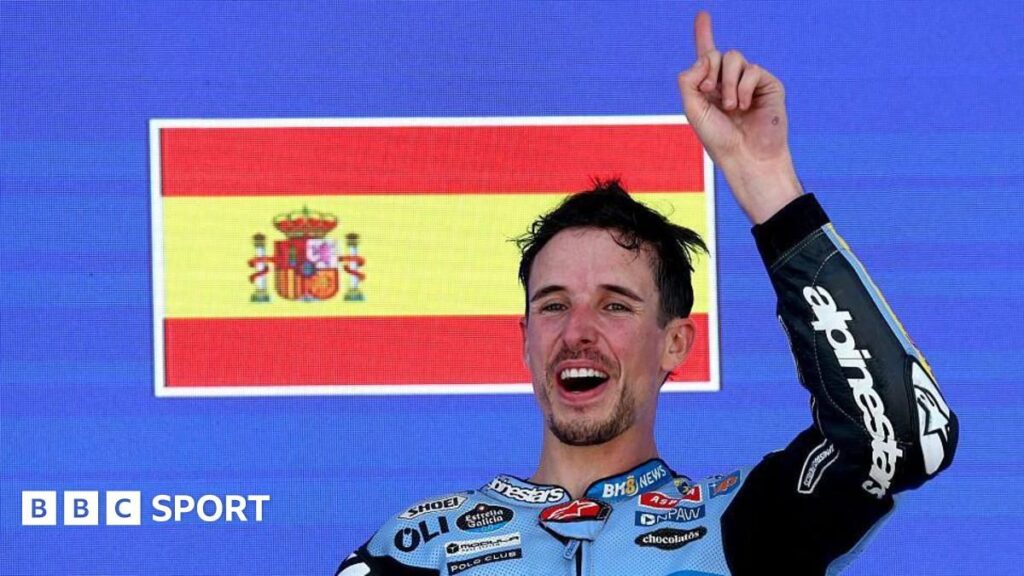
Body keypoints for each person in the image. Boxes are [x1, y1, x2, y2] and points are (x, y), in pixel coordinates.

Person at [336, 11, 958, 576]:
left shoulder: (742, 523)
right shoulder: (415, 549)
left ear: (675, 343)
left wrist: (765, 179)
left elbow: (903, 437)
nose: (577, 330)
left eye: (614, 304)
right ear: (524, 342)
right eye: (553, 305)